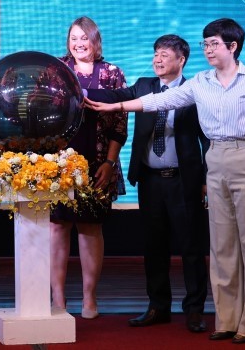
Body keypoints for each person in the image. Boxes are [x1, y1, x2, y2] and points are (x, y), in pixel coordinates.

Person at [85, 18, 245, 344]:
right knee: (221, 247)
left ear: (232, 46)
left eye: (214, 44)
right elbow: (160, 101)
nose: (208, 49)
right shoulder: (201, 82)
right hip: (216, 159)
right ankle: (227, 319)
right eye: (205, 44)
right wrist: (116, 105)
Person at [87, 35, 209, 332]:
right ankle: (157, 306)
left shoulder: (195, 90)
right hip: (150, 180)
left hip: (184, 180)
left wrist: (206, 178)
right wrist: (79, 90)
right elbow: (114, 95)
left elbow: (207, 138)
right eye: (155, 54)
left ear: (181, 60)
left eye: (164, 55)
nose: (157, 59)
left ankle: (194, 310)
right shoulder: (143, 86)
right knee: (154, 246)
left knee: (191, 247)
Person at [51, 16, 127, 319]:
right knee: (57, 227)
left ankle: (89, 298)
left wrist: (109, 162)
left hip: (97, 163)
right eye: (74, 38)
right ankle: (58, 300)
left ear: (95, 41)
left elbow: (120, 124)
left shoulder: (112, 73)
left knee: (90, 227)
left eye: (84, 38)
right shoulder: (57, 70)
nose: (78, 43)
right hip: (57, 165)